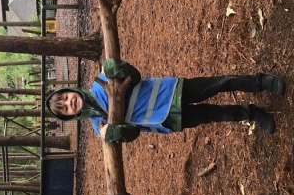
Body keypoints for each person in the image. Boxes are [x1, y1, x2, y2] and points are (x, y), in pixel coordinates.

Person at [46, 59, 286, 142]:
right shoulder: (100, 128)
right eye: (65, 108)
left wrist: (115, 68)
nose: (69, 103)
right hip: (167, 119)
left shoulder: (102, 81)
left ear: (71, 90)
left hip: (171, 92)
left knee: (219, 84)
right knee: (216, 114)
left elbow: (135, 76)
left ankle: (259, 81)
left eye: (66, 98)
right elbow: (132, 134)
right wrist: (113, 133)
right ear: (70, 116)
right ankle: (252, 113)